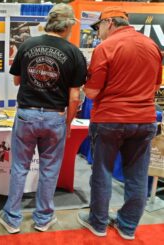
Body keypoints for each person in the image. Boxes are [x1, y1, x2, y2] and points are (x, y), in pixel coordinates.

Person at [0, 3, 87, 234]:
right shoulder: (74, 52)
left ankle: (12, 217)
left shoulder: (27, 45)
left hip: (27, 113)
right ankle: (43, 218)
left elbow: (17, 80)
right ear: (67, 25)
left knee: (19, 167)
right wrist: (67, 124)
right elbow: (74, 95)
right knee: (49, 169)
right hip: (54, 116)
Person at [77, 6, 163, 240]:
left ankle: (98, 222)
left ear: (110, 23)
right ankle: (127, 226)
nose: (98, 32)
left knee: (102, 171)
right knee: (137, 174)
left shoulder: (105, 47)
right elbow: (155, 87)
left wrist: (85, 85)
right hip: (145, 119)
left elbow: (93, 92)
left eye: (100, 27)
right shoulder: (152, 46)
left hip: (110, 118)